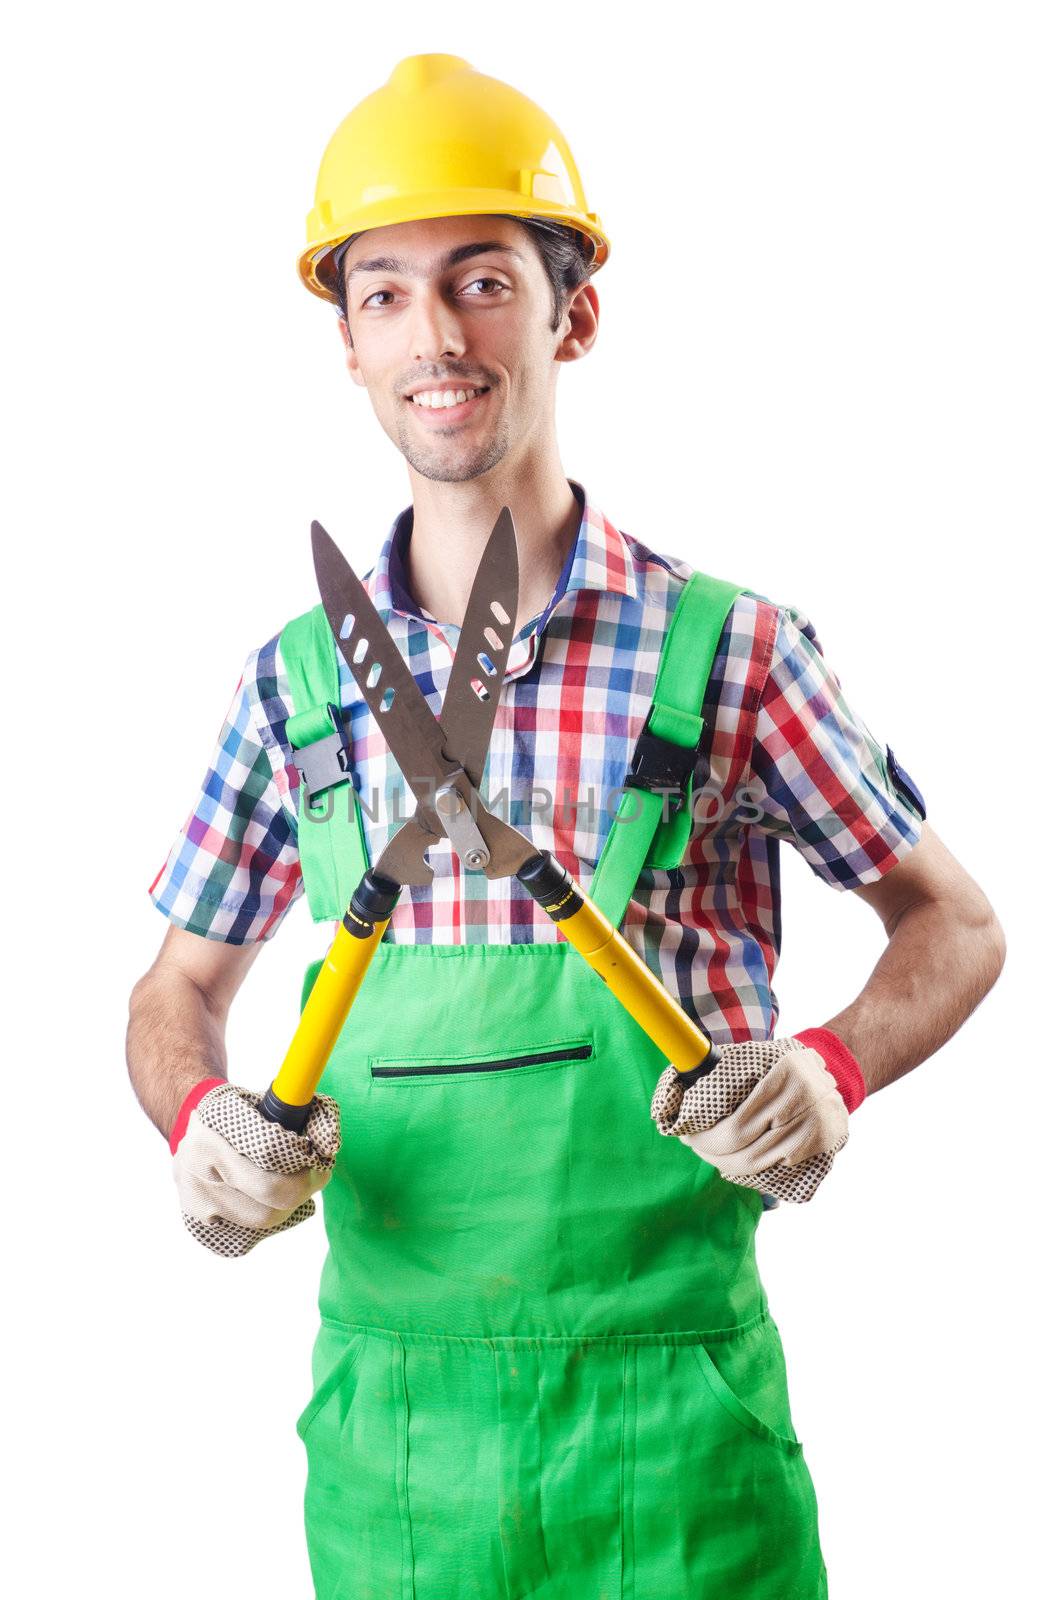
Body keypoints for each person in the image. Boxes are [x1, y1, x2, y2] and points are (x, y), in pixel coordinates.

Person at [126, 53, 1006, 1599]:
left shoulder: (732, 654)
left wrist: (830, 1064)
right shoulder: (299, 687)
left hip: (679, 1443)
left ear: (571, 315)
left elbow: (959, 923)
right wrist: (199, 1120)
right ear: (345, 341)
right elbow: (174, 992)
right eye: (385, 291)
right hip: (401, 1454)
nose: (437, 333)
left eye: (482, 280)